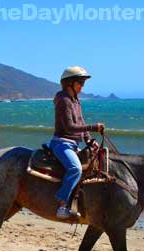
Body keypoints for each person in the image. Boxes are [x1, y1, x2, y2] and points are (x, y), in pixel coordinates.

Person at [51, 66, 105, 219]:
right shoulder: (63, 100)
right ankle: (62, 206)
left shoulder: (75, 100)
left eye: (83, 83)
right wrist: (94, 127)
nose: (82, 86)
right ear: (70, 83)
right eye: (80, 83)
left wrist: (89, 140)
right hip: (62, 143)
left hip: (74, 143)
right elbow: (69, 127)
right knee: (75, 169)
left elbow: (80, 121)